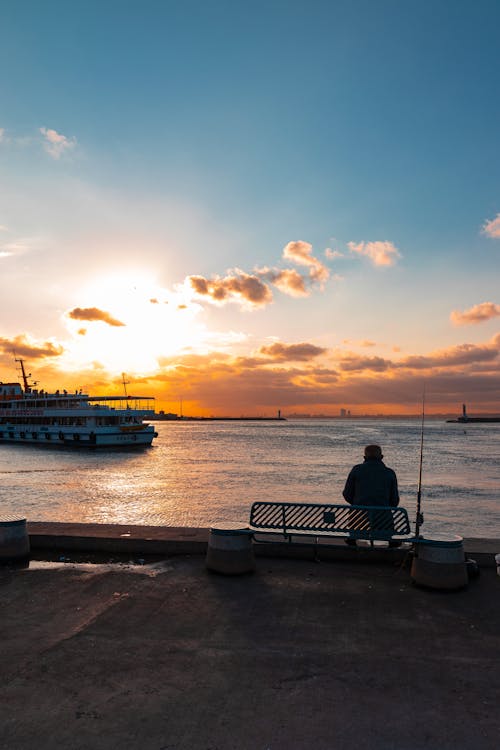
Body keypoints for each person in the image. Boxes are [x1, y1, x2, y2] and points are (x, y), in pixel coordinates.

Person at [342, 444, 400, 547]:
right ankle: (390, 545)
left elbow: (347, 494)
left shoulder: (356, 470)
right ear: (382, 457)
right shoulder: (389, 473)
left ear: (364, 457)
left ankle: (352, 540)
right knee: (385, 514)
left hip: (359, 521)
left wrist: (358, 503)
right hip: (383, 522)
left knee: (356, 511)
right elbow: (394, 501)